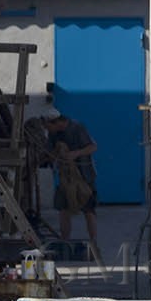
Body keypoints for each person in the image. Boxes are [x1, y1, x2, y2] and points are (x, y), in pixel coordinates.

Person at [44, 108, 100, 259]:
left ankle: (93, 244)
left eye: (50, 126)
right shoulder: (53, 134)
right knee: (63, 209)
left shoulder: (77, 128)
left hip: (84, 176)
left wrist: (75, 154)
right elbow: (50, 152)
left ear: (57, 123)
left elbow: (92, 146)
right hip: (65, 177)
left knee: (88, 210)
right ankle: (65, 242)